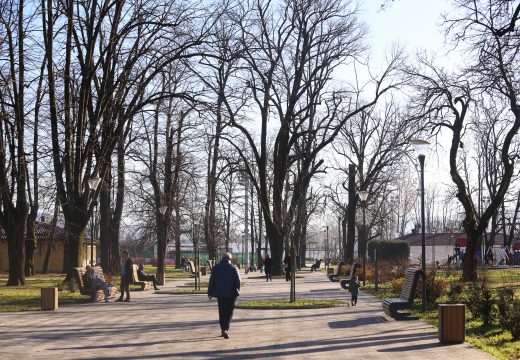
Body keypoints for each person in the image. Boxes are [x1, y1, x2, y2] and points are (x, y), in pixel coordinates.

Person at [207, 253, 241, 339]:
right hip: (231, 293)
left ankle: (223, 329)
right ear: (229, 259)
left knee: (221, 311)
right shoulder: (234, 268)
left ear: (222, 259)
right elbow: (238, 281)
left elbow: (212, 281)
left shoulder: (216, 268)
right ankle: (226, 328)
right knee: (229, 311)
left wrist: (210, 292)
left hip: (220, 293)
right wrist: (237, 289)